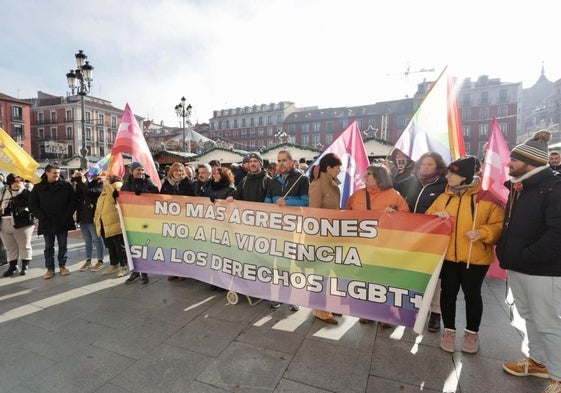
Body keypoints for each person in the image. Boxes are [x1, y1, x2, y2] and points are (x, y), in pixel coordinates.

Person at [497, 131, 561, 393]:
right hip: (519, 267)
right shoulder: (519, 187)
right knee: (529, 318)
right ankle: (537, 362)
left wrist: (527, 256)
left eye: (514, 160)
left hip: (543, 271)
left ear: (530, 162)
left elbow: (557, 234)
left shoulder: (554, 188)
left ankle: (558, 375)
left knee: (548, 322)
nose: (508, 164)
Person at [426, 156, 504, 354]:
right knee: (448, 294)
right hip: (448, 257)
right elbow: (426, 219)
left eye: (453, 173)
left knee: (472, 295)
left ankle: (471, 333)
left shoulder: (486, 198)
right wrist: (436, 217)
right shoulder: (443, 197)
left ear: (465, 176)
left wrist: (483, 233)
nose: (448, 175)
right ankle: (449, 331)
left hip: (475, 257)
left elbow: (499, 225)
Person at [345, 164, 409, 324]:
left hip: (385, 245)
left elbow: (407, 216)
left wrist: (395, 215)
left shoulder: (394, 196)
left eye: (369, 174)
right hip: (362, 245)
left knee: (384, 280)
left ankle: (386, 315)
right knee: (365, 279)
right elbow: (345, 216)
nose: (365, 176)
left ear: (379, 177)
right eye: (366, 173)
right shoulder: (357, 195)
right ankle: (367, 312)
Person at [400, 152, 448, 332]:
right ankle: (415, 308)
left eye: (430, 164)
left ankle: (435, 312)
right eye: (423, 164)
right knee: (413, 272)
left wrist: (441, 214)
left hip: (433, 236)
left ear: (438, 167)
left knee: (435, 277)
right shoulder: (410, 183)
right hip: (411, 236)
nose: (425, 167)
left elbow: (449, 206)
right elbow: (401, 204)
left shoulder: (444, 185)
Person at [265, 150, 309, 310]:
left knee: (293, 266)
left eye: (284, 160)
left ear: (292, 162)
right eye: (279, 160)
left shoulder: (302, 179)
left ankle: (294, 298)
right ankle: (278, 296)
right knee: (277, 265)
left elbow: (306, 202)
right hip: (277, 229)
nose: (281, 163)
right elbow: (267, 203)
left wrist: (288, 202)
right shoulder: (272, 181)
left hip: (294, 229)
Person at [309, 153, 342, 324]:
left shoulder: (333, 185)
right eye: (337, 168)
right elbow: (313, 213)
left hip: (332, 237)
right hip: (320, 238)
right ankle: (319, 309)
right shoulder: (317, 185)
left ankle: (328, 305)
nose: (339, 171)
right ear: (328, 168)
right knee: (320, 274)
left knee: (329, 273)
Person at [29, 164, 77, 279]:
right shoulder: (38, 187)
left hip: (62, 220)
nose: (57, 175)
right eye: (54, 173)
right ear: (47, 173)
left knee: (63, 245)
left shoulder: (66, 185)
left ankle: (62, 266)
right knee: (48, 246)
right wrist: (42, 217)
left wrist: (67, 215)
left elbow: (73, 201)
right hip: (47, 221)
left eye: (58, 173)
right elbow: (32, 205)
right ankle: (50, 268)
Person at [121, 161, 159, 284]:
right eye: (138, 170)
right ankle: (135, 272)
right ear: (131, 171)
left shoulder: (149, 183)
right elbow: (122, 200)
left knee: (143, 248)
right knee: (132, 247)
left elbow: (155, 196)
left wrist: (142, 192)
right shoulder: (126, 185)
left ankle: (144, 272)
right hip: (131, 221)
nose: (141, 172)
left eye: (142, 170)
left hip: (145, 220)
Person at [160, 162, 193, 281]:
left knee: (182, 246)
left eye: (181, 170)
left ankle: (182, 271)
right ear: (172, 172)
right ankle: (172, 270)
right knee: (170, 246)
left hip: (183, 219)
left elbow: (193, 199)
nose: (179, 173)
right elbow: (161, 199)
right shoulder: (166, 183)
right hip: (170, 219)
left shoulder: (188, 183)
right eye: (176, 170)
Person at [0, 174, 35, 277]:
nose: (18, 182)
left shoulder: (28, 188)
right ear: (10, 181)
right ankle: (13, 266)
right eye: (15, 180)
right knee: (10, 246)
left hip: (23, 221)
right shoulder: (3, 190)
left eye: (20, 180)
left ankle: (25, 265)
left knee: (24, 244)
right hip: (4, 221)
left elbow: (32, 202)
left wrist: (22, 190)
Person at [94, 175, 129, 277]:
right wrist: (96, 219)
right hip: (104, 224)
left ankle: (124, 266)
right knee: (110, 247)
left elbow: (116, 199)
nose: (103, 181)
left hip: (115, 224)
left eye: (106, 179)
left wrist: (109, 187)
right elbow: (99, 207)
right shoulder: (104, 191)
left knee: (119, 246)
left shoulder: (117, 187)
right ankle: (114, 265)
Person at [72, 171, 105, 273]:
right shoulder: (86, 184)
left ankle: (100, 260)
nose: (91, 176)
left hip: (92, 217)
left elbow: (88, 192)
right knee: (87, 240)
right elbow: (79, 194)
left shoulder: (100, 186)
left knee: (97, 239)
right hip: (83, 216)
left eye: (94, 174)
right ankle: (88, 260)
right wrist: (76, 181)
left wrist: (79, 181)